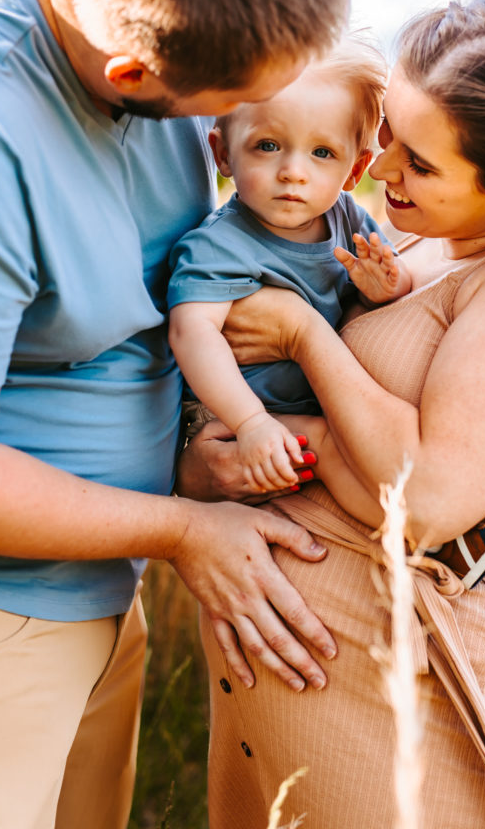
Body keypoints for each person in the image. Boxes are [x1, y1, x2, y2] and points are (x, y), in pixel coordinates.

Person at [0, 0, 353, 829]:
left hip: (99, 582)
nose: (232, 138)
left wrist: (188, 462)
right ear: (132, 70)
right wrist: (185, 528)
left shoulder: (142, 1)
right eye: (231, 115)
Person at [178, 0, 485, 828]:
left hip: (403, 716)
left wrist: (301, 341)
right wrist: (205, 467)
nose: (379, 167)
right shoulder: (413, 235)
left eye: (417, 162)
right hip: (280, 689)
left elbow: (424, 502)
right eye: (387, 131)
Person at [168, 36, 411, 499]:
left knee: (355, 442)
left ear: (355, 170)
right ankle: (426, 533)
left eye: (322, 153)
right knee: (327, 445)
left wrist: (385, 287)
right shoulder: (218, 245)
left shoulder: (348, 218)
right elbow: (191, 334)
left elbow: (397, 279)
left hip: (306, 403)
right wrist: (251, 421)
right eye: (268, 145)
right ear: (222, 154)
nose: (293, 172)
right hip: (231, 414)